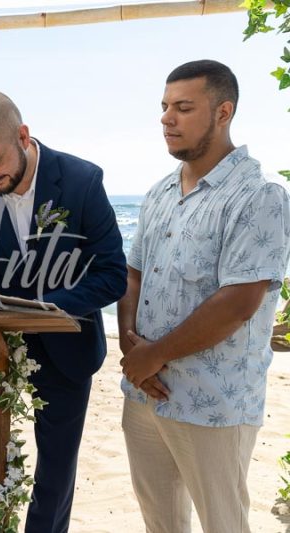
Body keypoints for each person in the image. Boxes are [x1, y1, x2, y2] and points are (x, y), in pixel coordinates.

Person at [0, 90, 127, 532]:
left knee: (54, 474)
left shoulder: (81, 180)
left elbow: (112, 275)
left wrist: (45, 310)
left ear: (23, 135)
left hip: (66, 348)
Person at [118, 59, 290, 533]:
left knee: (224, 525)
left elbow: (239, 301)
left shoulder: (259, 196)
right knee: (162, 523)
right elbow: (132, 276)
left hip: (214, 405)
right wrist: (130, 346)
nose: (167, 118)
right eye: (165, 107)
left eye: (184, 107)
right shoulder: (158, 193)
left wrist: (154, 354)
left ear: (223, 112)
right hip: (145, 395)